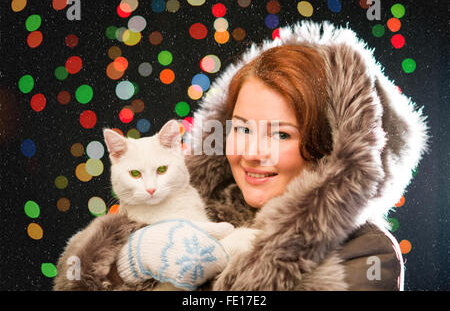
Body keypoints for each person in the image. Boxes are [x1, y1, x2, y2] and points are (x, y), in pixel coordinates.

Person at [54, 21, 428, 291]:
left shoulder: (367, 253)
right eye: (242, 129)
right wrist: (121, 266)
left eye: (281, 133)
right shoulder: (193, 207)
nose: (250, 153)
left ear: (327, 144)